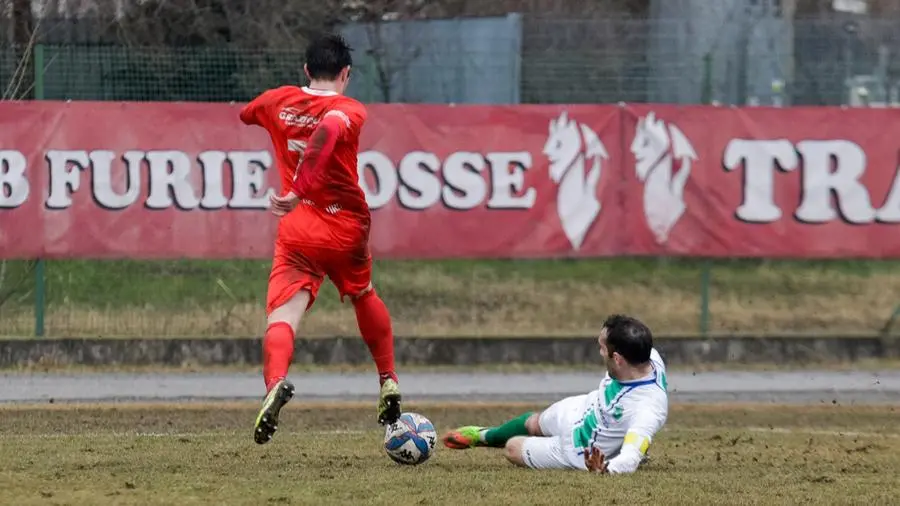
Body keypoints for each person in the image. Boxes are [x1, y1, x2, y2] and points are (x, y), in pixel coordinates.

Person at [239, 34, 401, 445]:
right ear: (345, 74)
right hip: (346, 227)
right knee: (364, 293)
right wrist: (303, 184)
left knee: (282, 317)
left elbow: (247, 114)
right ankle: (388, 378)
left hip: (299, 228)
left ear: (306, 70)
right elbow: (328, 131)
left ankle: (275, 382)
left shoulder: (277, 101)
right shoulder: (348, 109)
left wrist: (293, 182)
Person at [442, 314, 667, 474]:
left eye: (602, 348)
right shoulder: (646, 354)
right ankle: (481, 435)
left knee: (512, 448)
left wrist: (608, 469)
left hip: (580, 450)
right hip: (582, 409)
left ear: (617, 358)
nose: (599, 352)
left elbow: (631, 457)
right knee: (534, 422)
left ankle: (610, 453)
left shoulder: (647, 409)